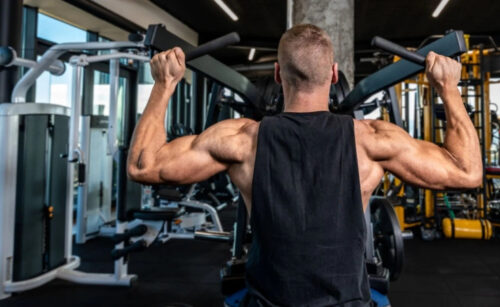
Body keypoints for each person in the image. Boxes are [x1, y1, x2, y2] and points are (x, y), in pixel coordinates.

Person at [127, 24, 481, 306]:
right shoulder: (371, 141)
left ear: (278, 74)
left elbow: (145, 166)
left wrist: (163, 85)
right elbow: (467, 172)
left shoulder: (241, 140)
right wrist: (448, 88)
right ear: (333, 74)